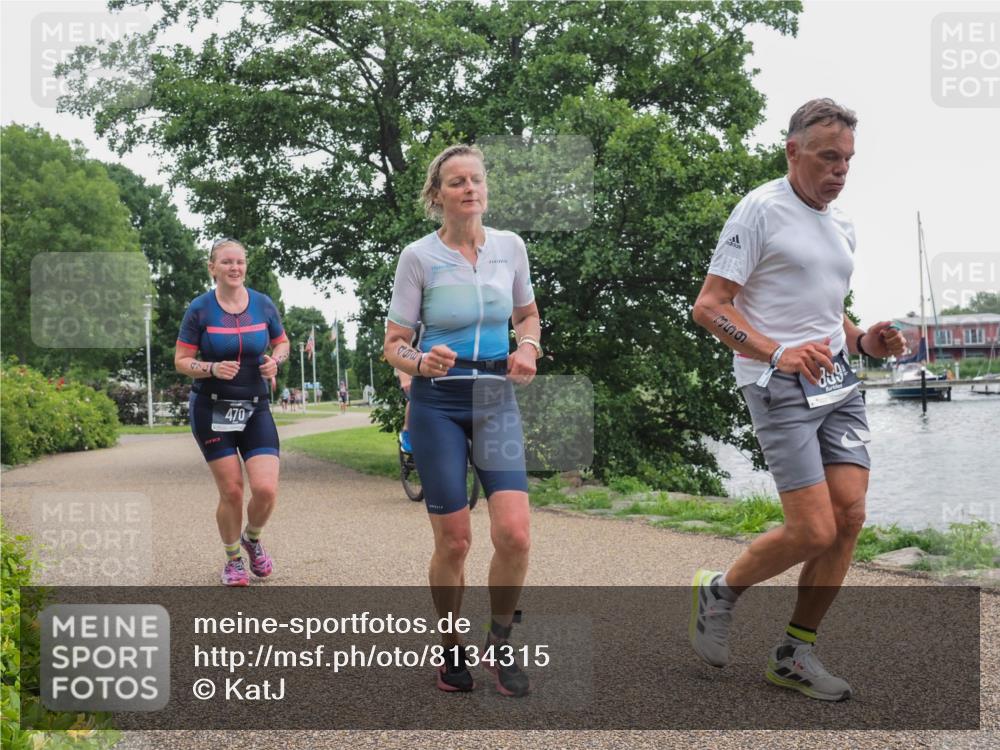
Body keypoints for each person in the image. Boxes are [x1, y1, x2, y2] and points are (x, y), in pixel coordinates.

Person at [690, 99, 906, 701]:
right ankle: (720, 591)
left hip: (835, 379)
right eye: (827, 157)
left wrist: (864, 339)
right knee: (812, 529)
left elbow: (825, 307)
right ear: (793, 151)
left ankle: (793, 653)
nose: (839, 171)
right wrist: (774, 351)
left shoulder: (843, 226)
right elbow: (709, 307)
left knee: (849, 517)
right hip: (777, 382)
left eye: (848, 160)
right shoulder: (760, 210)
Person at [383, 144, 542, 696]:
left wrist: (527, 346)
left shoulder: (511, 248)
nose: (469, 188)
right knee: (454, 542)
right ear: (438, 195)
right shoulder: (419, 258)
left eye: (476, 179)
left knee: (515, 535)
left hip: (495, 399)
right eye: (456, 182)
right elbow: (394, 345)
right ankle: (450, 645)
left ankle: (500, 640)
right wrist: (419, 361)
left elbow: (527, 314)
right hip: (439, 404)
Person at [175, 237, 290, 587]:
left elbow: (281, 343)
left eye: (239, 261)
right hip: (212, 407)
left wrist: (275, 361)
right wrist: (210, 369)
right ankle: (232, 560)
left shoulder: (263, 304)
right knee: (233, 491)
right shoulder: (199, 309)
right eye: (226, 262)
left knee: (267, 490)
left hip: (255, 406)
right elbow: (181, 361)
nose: (234, 268)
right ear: (212, 268)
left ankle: (251, 540)